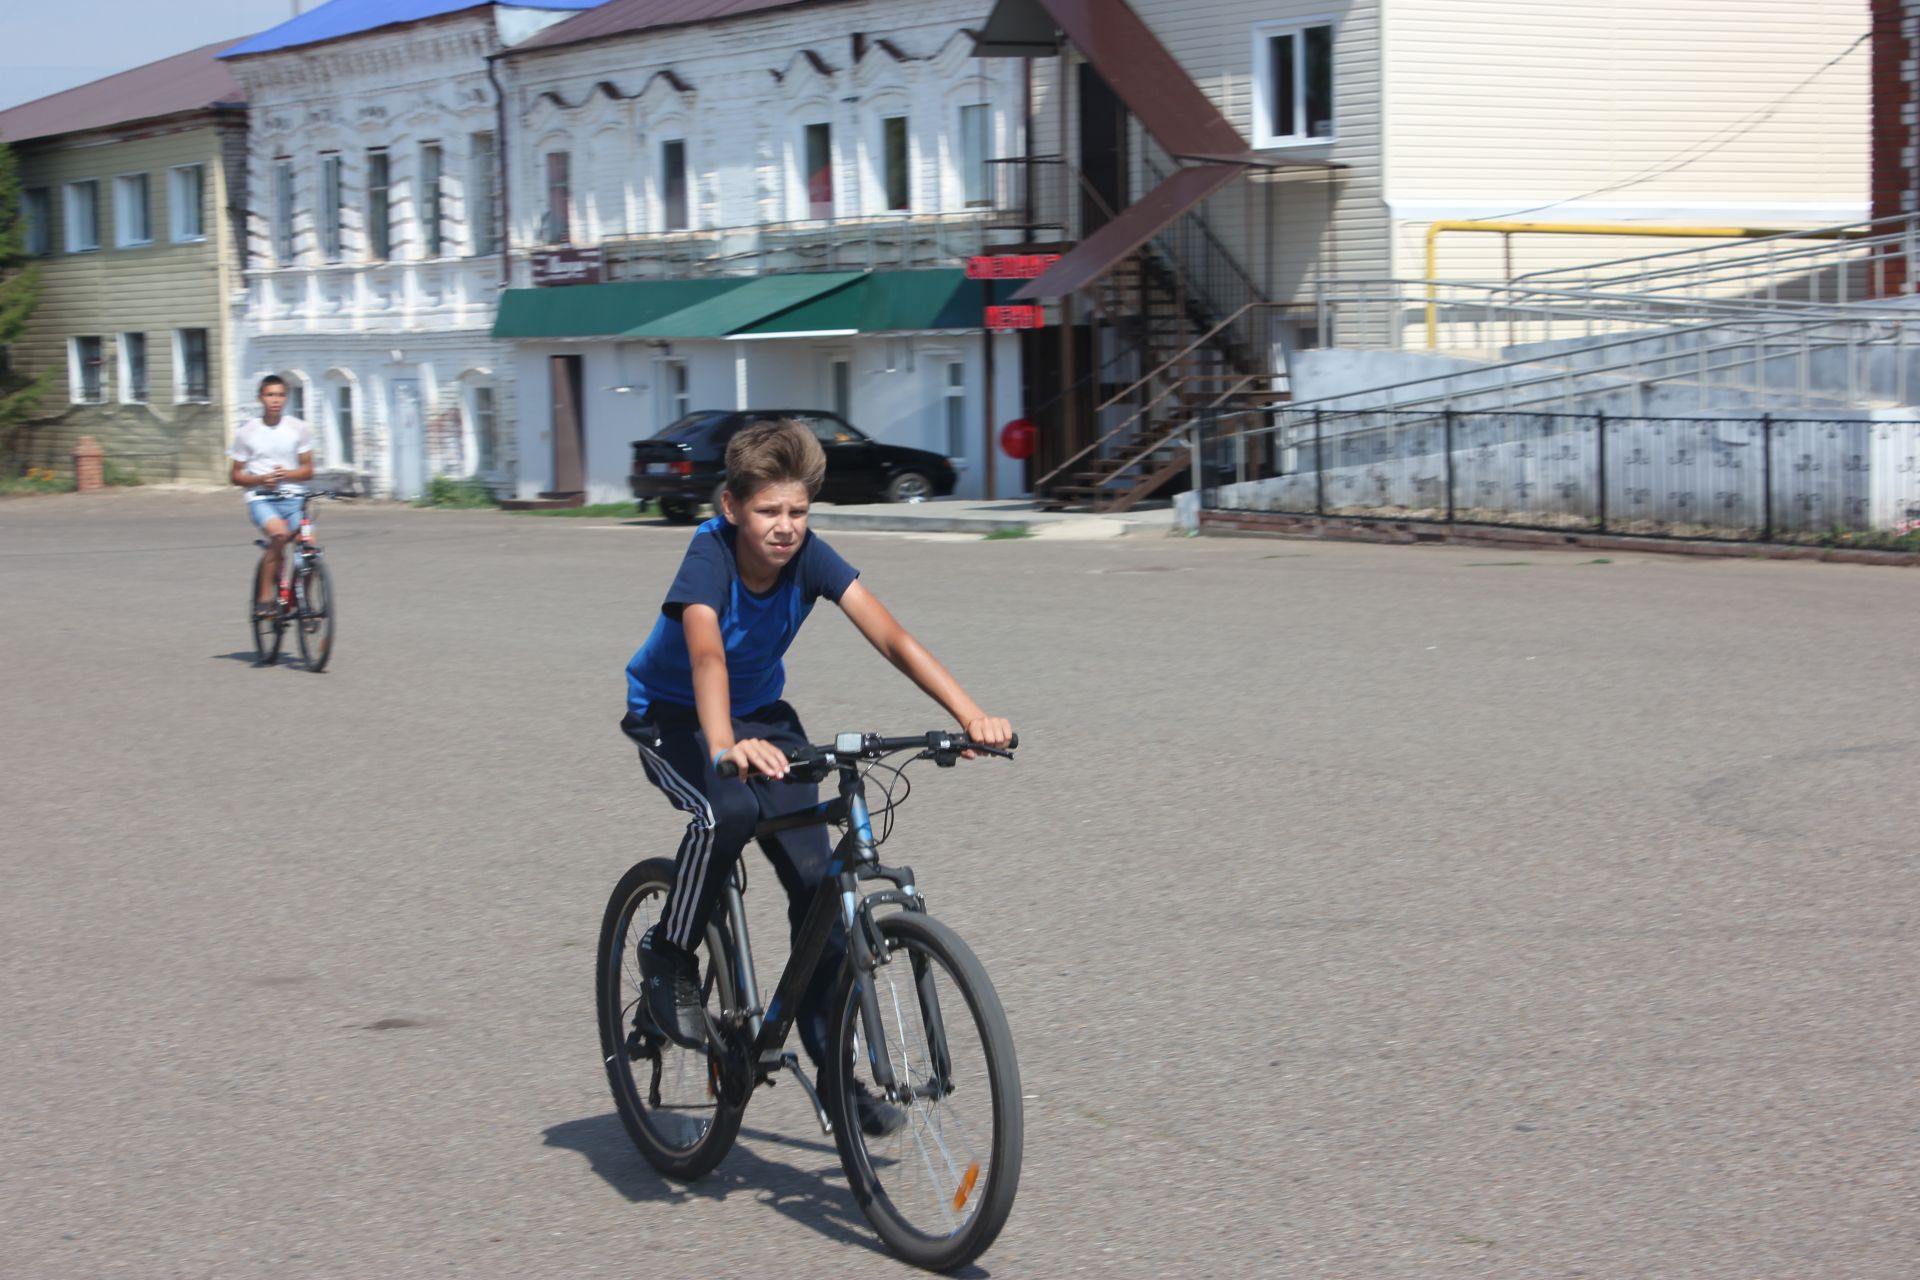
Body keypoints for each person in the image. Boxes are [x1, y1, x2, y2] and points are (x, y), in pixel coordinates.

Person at [621, 419, 1012, 1136]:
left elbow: (889, 633)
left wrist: (971, 715)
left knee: (818, 887)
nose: (785, 527)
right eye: (769, 511)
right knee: (728, 812)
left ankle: (835, 1078)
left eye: (797, 512)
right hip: (675, 718)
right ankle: (668, 952)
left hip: (763, 717)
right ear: (731, 507)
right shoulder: (708, 556)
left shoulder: (810, 560)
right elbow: (705, 653)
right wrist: (723, 743)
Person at [229, 375, 315, 617]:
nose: (275, 400)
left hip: (294, 498)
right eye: (270, 395)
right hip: (262, 499)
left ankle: (303, 602)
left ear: (286, 398)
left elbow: (308, 470)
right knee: (279, 536)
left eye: (280, 395)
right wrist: (259, 479)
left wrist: (288, 473)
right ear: (260, 398)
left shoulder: (299, 428)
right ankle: (265, 598)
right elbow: (235, 475)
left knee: (309, 547)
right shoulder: (247, 432)